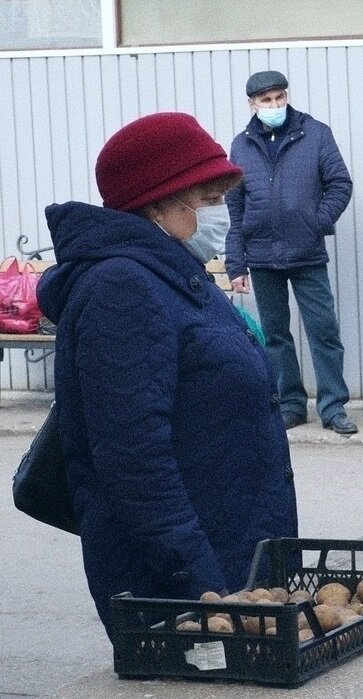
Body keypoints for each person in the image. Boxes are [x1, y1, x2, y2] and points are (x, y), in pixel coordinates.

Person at [36, 112, 299, 639]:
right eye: (208, 200)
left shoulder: (175, 274)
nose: (221, 215)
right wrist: (200, 585)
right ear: (160, 201)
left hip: (235, 561)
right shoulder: (123, 289)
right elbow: (133, 459)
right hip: (184, 586)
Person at [225, 69, 358, 434]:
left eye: (279, 97)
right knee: (275, 335)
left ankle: (333, 407)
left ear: (287, 96)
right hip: (262, 257)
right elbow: (234, 209)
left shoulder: (315, 134)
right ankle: (291, 404)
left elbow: (340, 184)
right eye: (266, 100)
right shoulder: (241, 145)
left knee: (323, 331)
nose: (274, 105)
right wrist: (236, 263)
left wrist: (315, 222)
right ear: (252, 104)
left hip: (306, 254)